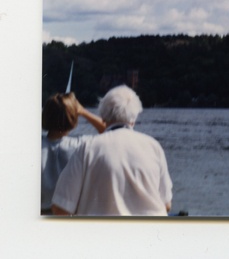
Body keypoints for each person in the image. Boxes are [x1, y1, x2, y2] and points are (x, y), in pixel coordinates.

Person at [51, 85, 173, 216]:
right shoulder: (154, 147)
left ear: (103, 116)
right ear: (134, 117)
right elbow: (166, 204)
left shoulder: (87, 148)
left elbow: (60, 208)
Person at [41, 92, 106, 214]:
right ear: (73, 119)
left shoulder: (33, 145)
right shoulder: (81, 145)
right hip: (68, 212)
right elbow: (109, 131)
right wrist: (83, 111)